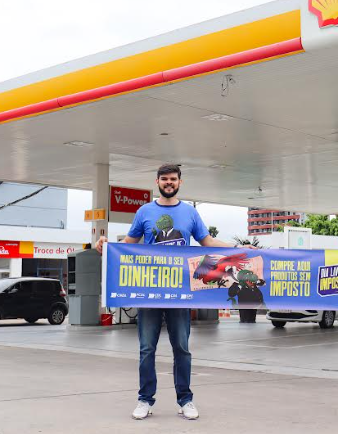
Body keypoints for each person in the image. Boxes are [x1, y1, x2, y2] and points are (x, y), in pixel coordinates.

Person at [96, 164, 253, 420]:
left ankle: (185, 400)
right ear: (157, 182)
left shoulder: (190, 213)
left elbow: (208, 242)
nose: (168, 182)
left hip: (181, 292)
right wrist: (105, 244)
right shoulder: (144, 211)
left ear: (180, 182)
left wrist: (239, 249)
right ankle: (145, 399)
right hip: (149, 292)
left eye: (173, 179)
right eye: (164, 179)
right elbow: (127, 244)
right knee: (147, 348)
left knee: (181, 348)